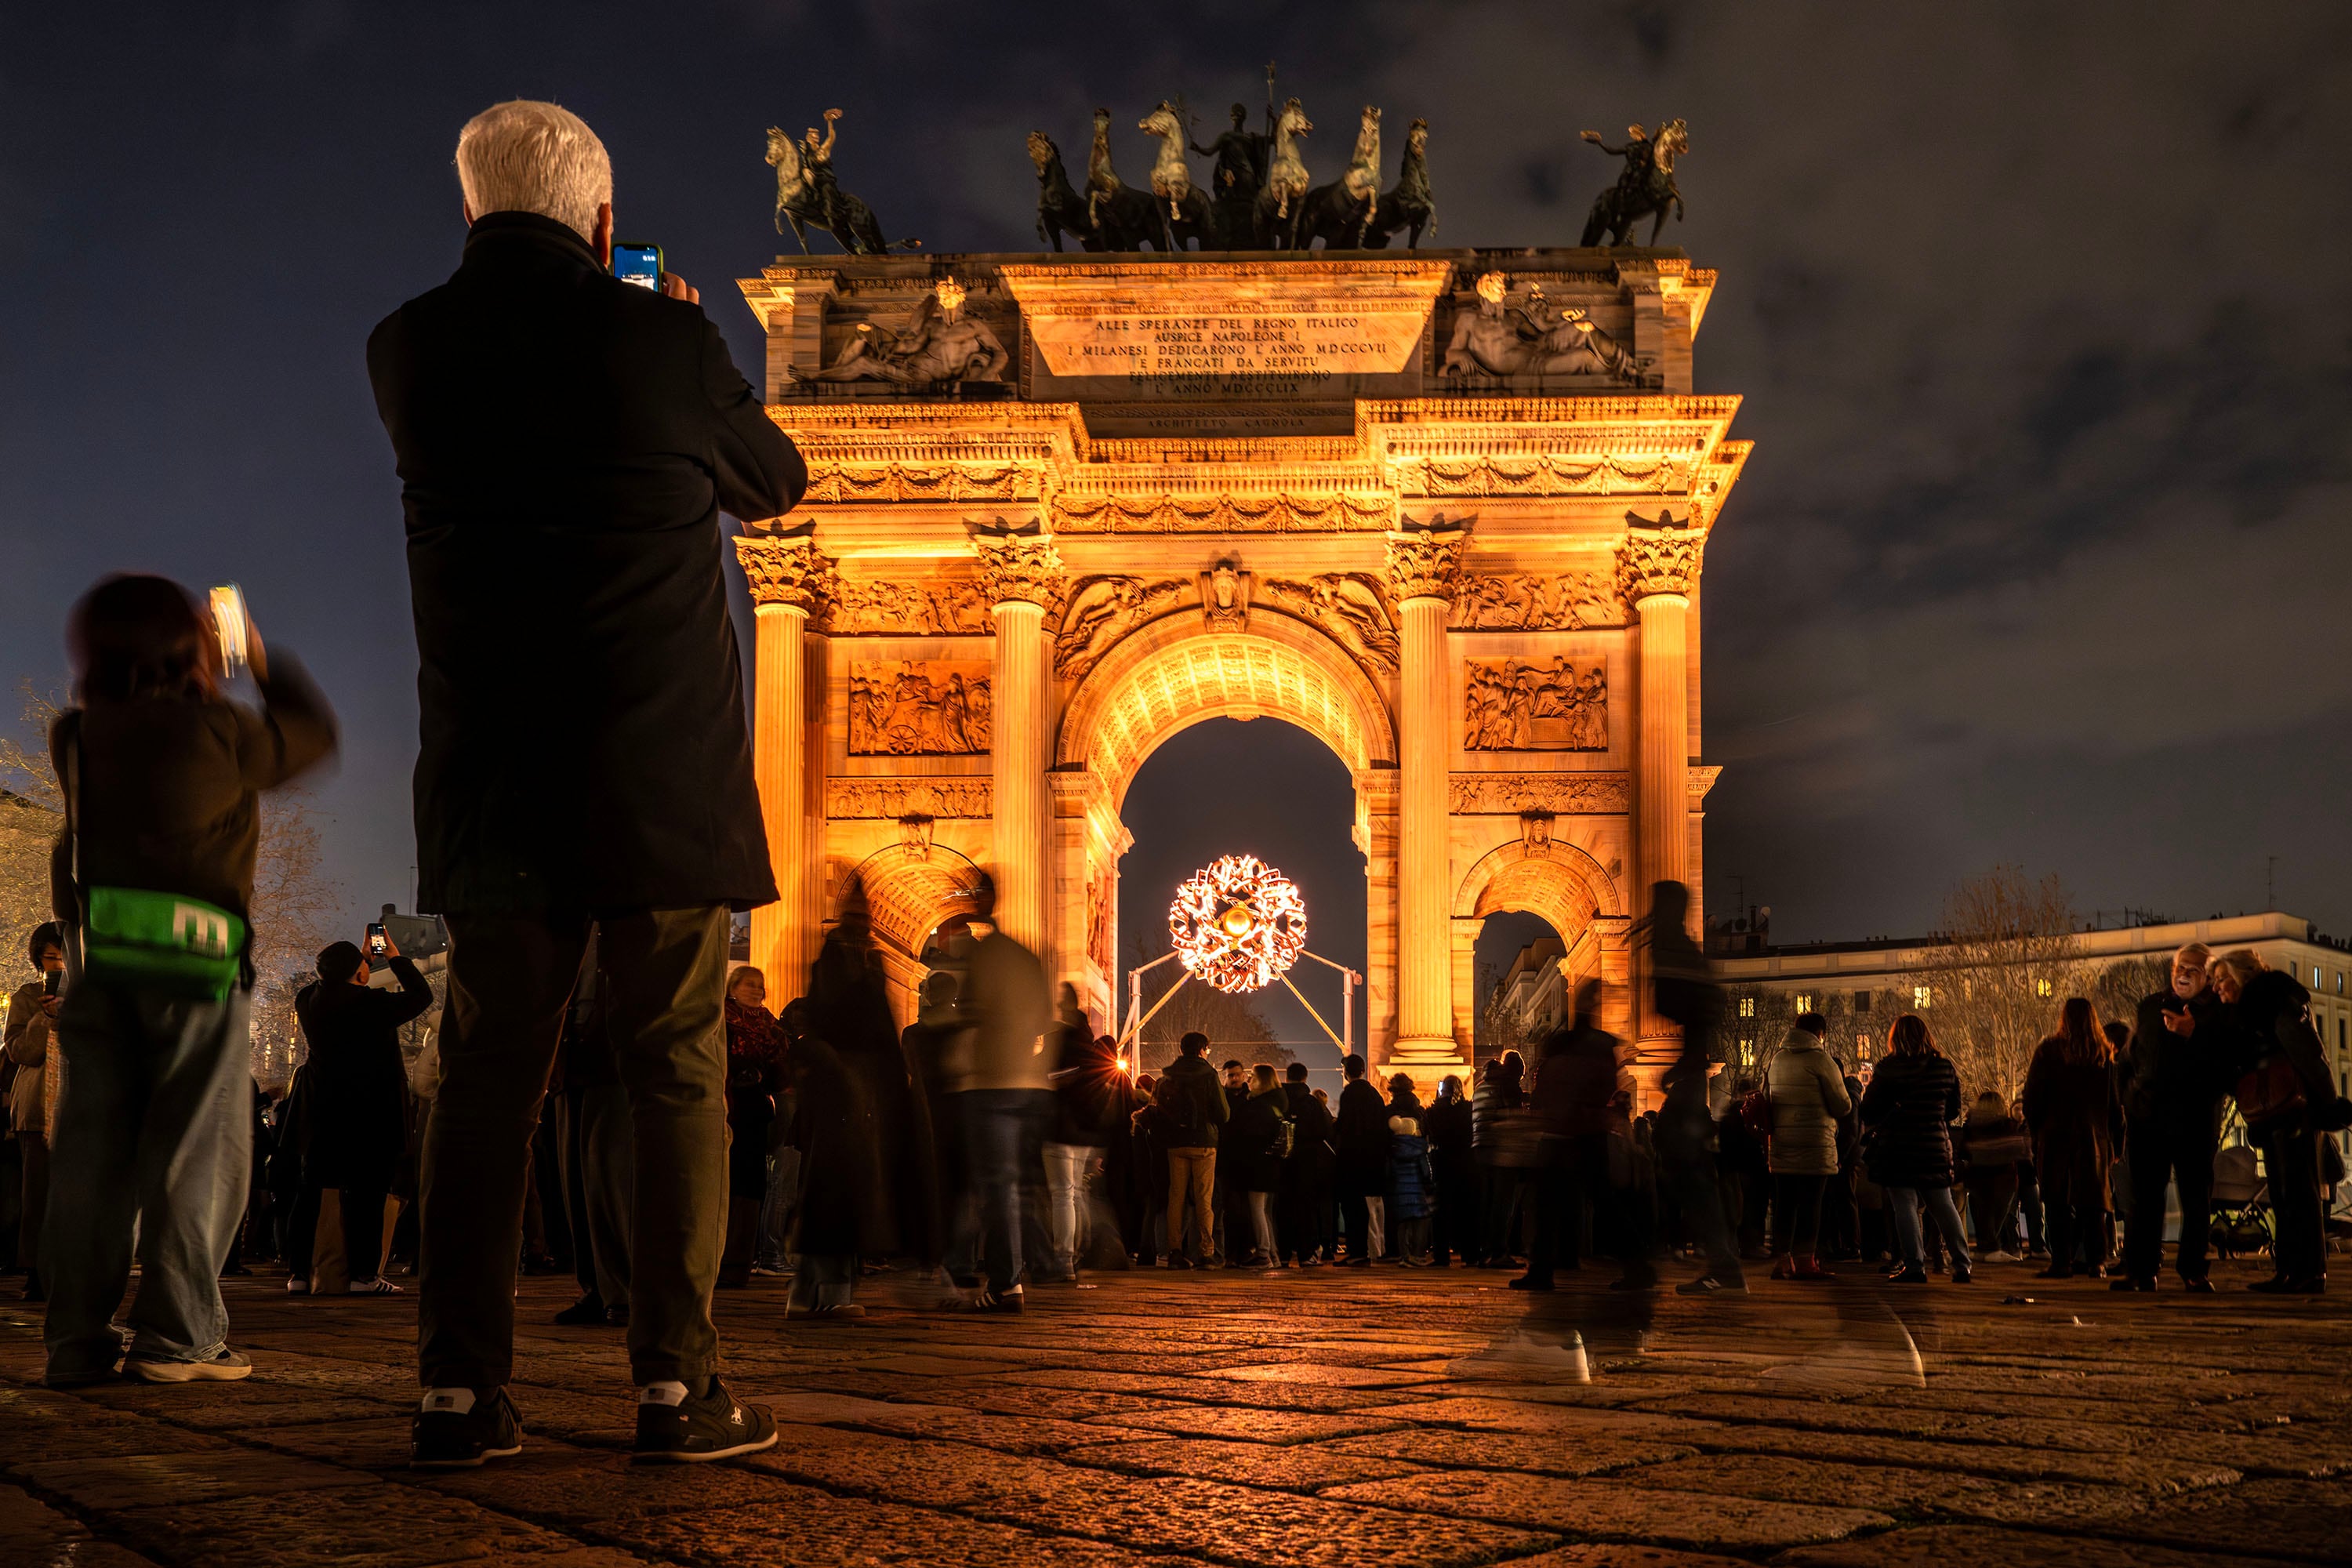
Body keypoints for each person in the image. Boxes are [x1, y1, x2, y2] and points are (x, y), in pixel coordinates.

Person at [371, 100, 806, 1466]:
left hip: (494, 784)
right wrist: (693, 340)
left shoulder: (407, 349)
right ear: (605, 222)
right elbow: (778, 481)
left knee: (489, 1080)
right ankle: (678, 1388)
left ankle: (456, 1392)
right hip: (656, 782)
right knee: (677, 1072)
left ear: (467, 209)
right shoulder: (664, 342)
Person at [42, 575, 337, 1386]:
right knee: (195, 1151)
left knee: (93, 1155)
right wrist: (255, 653)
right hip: (196, 962)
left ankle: (76, 1336)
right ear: (189, 648)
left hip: (102, 966)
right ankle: (178, 1333)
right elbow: (310, 734)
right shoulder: (219, 730)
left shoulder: (77, 735)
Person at [794, 881, 916, 1317]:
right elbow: (867, 1026)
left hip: (846, 1090)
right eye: (859, 916)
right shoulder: (844, 962)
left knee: (830, 1190)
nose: (865, 924)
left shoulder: (855, 960)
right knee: (840, 1191)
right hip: (846, 1091)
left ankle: (805, 1292)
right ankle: (831, 1293)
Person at [294, 934, 434, 1294]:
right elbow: (422, 995)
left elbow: (331, 982)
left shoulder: (308, 1001)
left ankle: (300, 1271)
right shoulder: (372, 1004)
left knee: (313, 1187)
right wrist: (396, 958)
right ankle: (364, 1274)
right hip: (371, 1109)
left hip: (324, 1107)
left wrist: (356, 962)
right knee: (368, 1190)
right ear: (357, 975)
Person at [2206, 949, 2341, 1293]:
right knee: (2283, 1192)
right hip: (2273, 1108)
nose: (2217, 987)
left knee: (2299, 1190)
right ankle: (2290, 1270)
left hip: (2292, 1106)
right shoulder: (2250, 1011)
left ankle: (2309, 1272)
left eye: (2223, 979)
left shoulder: (2275, 1002)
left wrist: (2328, 1103)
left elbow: (2309, 1054)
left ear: (2244, 975)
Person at [946, 874, 1051, 1311]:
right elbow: (1045, 1017)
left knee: (987, 1184)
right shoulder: (1026, 956)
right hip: (1029, 1082)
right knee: (1016, 1185)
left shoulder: (984, 956)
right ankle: (1033, 1266)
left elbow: (971, 1013)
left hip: (988, 1081)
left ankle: (1001, 1280)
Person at [1517, 980, 1653, 1292]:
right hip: (1578, 1132)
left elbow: (1557, 1082)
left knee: (1559, 1204)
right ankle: (1634, 1266)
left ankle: (1544, 1270)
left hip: (1571, 1133)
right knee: (1591, 1204)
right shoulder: (1595, 1044)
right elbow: (1600, 1085)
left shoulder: (1567, 1042)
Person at [2114, 944, 2230, 1291]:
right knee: (2146, 1195)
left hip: (2194, 1118)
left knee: (2196, 1197)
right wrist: (2130, 1098)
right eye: (2180, 967)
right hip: (2149, 1116)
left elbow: (2225, 1065)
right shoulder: (2150, 1006)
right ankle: (2141, 1270)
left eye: (2193, 970)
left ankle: (2194, 1270)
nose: (2183, 975)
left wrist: (2196, 1035)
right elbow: (2132, 1056)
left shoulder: (2218, 1014)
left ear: (2207, 977)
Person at [553, 947, 633, 1327]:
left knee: (608, 1186)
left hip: (612, 1063)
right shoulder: (573, 931)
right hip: (571, 1063)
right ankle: (596, 1287)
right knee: (577, 1188)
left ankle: (621, 1289)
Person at [1860, 1013, 1971, 1284]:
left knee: (1905, 1207)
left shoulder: (1888, 1069)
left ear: (1894, 1039)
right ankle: (1961, 1264)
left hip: (1897, 1148)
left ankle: (1914, 1265)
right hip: (1933, 1146)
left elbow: (1869, 1109)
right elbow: (1953, 1110)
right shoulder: (1943, 1067)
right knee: (1943, 1205)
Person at [2022, 997, 2122, 1280]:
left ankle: (2062, 1261)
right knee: (2094, 1203)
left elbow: (2032, 1099)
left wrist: (2037, 1131)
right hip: (2094, 1139)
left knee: (2057, 1202)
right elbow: (2115, 1105)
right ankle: (2096, 1262)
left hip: (2055, 1137)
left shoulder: (2048, 1052)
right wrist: (2117, 1141)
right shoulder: (2103, 1055)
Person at [1762, 1011, 1852, 1280]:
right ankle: (1805, 1261)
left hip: (1782, 1143)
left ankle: (1782, 1260)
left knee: (1785, 1204)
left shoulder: (1776, 1059)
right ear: (1820, 1034)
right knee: (1811, 1204)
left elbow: (1766, 1097)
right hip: (1815, 1143)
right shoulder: (1821, 1060)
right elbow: (1842, 1105)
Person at [1044, 1006, 1127, 1281]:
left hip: (1060, 1133)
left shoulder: (1060, 1048)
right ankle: (1079, 1252)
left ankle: (1064, 1257)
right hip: (1087, 1137)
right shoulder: (1094, 1054)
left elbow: (1047, 1084)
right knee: (1078, 1193)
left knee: (1063, 1195)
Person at [5, 924, 64, 1301]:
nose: (58, 966)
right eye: (50, 959)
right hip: (38, 1109)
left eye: (64, 957)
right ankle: (37, 1270)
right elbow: (21, 1052)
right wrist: (46, 1018)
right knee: (38, 1191)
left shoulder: (91, 996)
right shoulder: (27, 997)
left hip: (78, 1105)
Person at [717, 965, 786, 1290]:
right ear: (733, 987)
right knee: (723, 1182)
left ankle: (738, 1263)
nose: (757, 990)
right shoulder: (720, 1019)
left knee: (749, 1185)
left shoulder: (771, 1027)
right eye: (749, 984)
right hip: (726, 1105)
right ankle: (715, 1259)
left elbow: (781, 1073)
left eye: (760, 985)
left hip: (754, 1110)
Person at [1154, 1032, 1229, 1268]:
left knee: (1176, 1197)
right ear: (1202, 1049)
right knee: (1204, 1199)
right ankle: (1207, 1252)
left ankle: (1175, 1252)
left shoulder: (1169, 1075)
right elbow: (1224, 1113)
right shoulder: (1209, 1074)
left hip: (1175, 1143)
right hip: (1205, 1142)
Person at [1472, 1051, 1537, 1265]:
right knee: (1503, 1204)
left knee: (1487, 1202)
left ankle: (1483, 1252)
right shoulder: (1504, 1086)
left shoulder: (1480, 1087)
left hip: (1480, 1147)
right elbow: (1510, 1116)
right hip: (1502, 1149)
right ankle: (1499, 1253)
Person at [1227, 1064, 1290, 1266]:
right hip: (1272, 1165)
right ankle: (1273, 1253)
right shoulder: (1277, 1103)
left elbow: (1250, 1136)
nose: (1249, 1080)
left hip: (1258, 1165)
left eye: (1253, 1077)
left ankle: (1264, 1253)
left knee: (1257, 1210)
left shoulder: (1258, 1106)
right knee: (1266, 1211)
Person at [1958, 1091, 2028, 1264]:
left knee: (1982, 1214)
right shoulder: (2007, 1125)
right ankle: (1990, 1246)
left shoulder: (1971, 1126)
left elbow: (1963, 1151)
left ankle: (1985, 1246)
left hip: (1977, 1177)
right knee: (1997, 1215)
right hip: (2004, 1178)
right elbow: (2019, 1150)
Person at [1333, 1054, 1389, 1265]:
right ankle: (1376, 1249)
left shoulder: (1350, 1094)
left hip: (1354, 1160)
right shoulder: (1375, 1095)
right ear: (1363, 1070)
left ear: (1346, 1072)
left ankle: (1358, 1251)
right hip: (1374, 1160)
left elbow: (1345, 1128)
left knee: (1353, 1208)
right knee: (1374, 1209)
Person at [1276, 1062, 1334, 1265]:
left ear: (1287, 1077)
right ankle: (1305, 1253)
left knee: (1282, 1208)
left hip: (1282, 1161)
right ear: (1305, 1078)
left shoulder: (1278, 1099)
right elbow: (1324, 1131)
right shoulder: (1310, 1103)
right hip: (1307, 1161)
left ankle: (1282, 1253)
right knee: (1306, 1208)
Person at [1425, 1075, 1477, 1267]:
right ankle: (1471, 1255)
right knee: (1467, 1212)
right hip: (1466, 1164)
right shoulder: (1468, 1109)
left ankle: (1441, 1256)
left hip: (1442, 1164)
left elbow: (1430, 1137)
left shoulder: (1434, 1111)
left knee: (1441, 1213)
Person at [1386, 1084, 1436, 1265]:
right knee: (1421, 1222)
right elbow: (1425, 1170)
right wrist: (1429, 1183)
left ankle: (1404, 1255)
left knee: (1403, 1224)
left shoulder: (1394, 1149)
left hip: (1400, 1194)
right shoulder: (1418, 1149)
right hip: (1417, 1194)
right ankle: (1418, 1254)